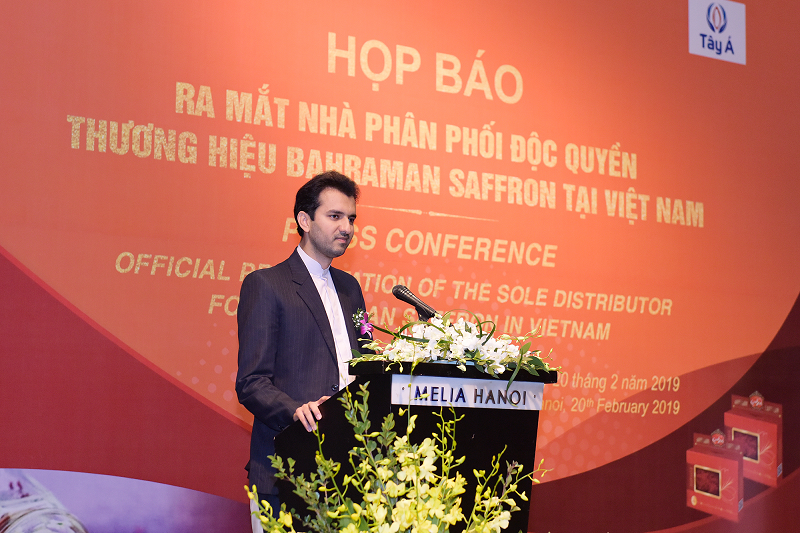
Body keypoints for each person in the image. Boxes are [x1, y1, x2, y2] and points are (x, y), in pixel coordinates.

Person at [236, 171, 369, 518]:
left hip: (349, 474)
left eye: (351, 218)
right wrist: (297, 410)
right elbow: (251, 383)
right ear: (305, 221)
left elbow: (365, 365)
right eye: (335, 216)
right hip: (287, 470)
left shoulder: (351, 289)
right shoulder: (267, 285)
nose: (346, 228)